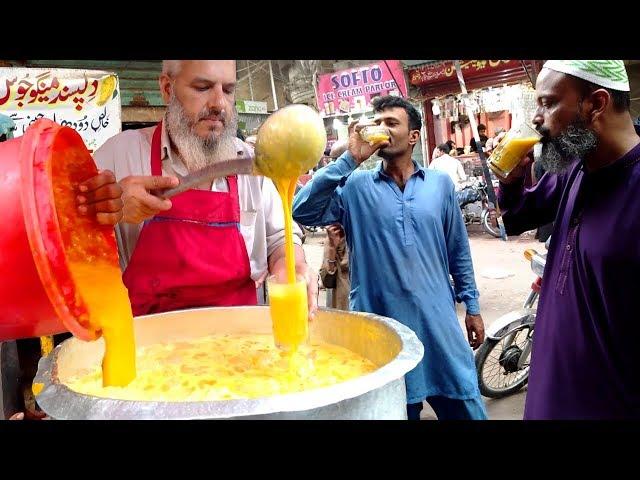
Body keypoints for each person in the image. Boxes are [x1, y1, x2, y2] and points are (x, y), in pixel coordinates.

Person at [293, 95, 487, 420]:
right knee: (393, 410)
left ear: (413, 136)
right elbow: (302, 209)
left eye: (391, 123)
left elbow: (458, 251)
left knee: (467, 406)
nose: (382, 128)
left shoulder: (439, 185)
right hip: (381, 330)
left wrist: (473, 307)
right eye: (378, 122)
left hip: (438, 324)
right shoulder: (355, 186)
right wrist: (349, 160)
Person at [93, 60, 316, 317]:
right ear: (167, 89)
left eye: (229, 90)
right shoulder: (118, 157)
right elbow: (59, 243)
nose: (219, 103)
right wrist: (107, 209)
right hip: (145, 348)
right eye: (202, 87)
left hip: (241, 346)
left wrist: (293, 267)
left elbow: (280, 241)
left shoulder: (253, 165)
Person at [496, 60, 640, 419]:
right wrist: (513, 180)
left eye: (548, 103)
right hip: (547, 395)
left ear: (596, 103)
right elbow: (517, 217)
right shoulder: (578, 166)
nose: (536, 118)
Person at [317, 140, 350, 310]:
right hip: (342, 303)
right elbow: (327, 279)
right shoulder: (332, 203)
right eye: (332, 161)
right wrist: (332, 248)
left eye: (338, 160)